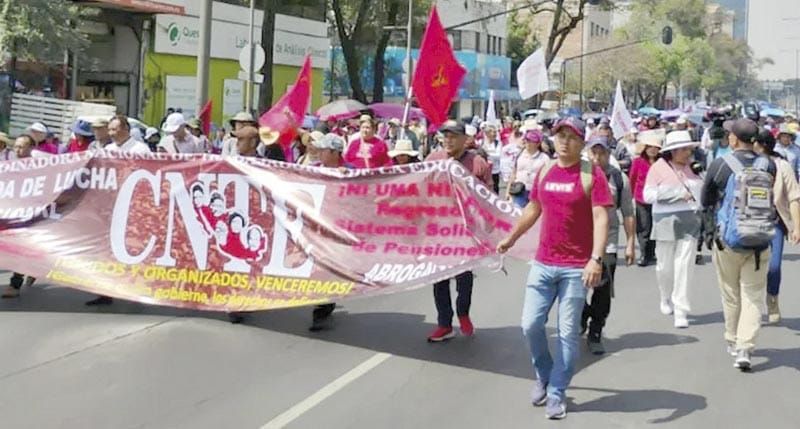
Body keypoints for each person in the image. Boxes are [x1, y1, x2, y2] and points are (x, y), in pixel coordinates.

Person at [496, 116, 612, 420]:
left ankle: (558, 391)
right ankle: (545, 375)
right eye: (559, 135)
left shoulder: (592, 175)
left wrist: (595, 259)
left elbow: (601, 218)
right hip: (544, 263)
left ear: (581, 142)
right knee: (530, 325)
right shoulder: (545, 169)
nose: (564, 141)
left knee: (567, 333)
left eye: (571, 136)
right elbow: (534, 208)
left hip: (576, 268)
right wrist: (511, 237)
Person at [700, 118, 778, 371]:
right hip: (761, 240)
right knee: (753, 295)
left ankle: (733, 340)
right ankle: (746, 347)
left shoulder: (721, 164)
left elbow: (706, 201)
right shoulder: (768, 164)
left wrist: (709, 233)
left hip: (728, 241)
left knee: (731, 294)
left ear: (733, 139)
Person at [424, 120, 493, 342]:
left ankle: (463, 313)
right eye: (445, 135)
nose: (449, 140)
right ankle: (444, 323)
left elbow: (488, 195)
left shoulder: (477, 163)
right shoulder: (433, 160)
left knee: (464, 277)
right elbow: (419, 187)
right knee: (440, 279)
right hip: (440, 229)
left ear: (465, 139)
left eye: (454, 136)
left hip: (466, 231)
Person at [643, 130, 703, 328]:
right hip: (665, 220)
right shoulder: (658, 168)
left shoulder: (694, 168)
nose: (688, 153)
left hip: (690, 220)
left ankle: (681, 309)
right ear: (673, 151)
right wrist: (676, 194)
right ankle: (665, 296)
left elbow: (701, 193)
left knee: (684, 266)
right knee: (664, 266)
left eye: (689, 148)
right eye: (684, 149)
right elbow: (648, 195)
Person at [581, 135, 636, 354]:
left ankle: (596, 330)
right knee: (575, 287)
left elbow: (628, 213)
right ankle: (582, 314)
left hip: (609, 242)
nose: (597, 157)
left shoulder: (619, 179)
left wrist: (630, 242)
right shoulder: (579, 176)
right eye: (593, 152)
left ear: (609, 154)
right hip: (580, 240)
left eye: (602, 152)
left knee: (602, 289)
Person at [753, 130, 800, 324]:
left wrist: (796, 226)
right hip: (749, 222)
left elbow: (794, 197)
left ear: (761, 145)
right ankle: (752, 307)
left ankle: (772, 299)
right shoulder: (748, 164)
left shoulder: (783, 166)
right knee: (752, 266)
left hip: (775, 223)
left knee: (773, 266)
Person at [309, 133, 352, 331]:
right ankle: (322, 303)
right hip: (316, 228)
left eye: (323, 150)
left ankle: (323, 307)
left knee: (329, 268)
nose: (319, 153)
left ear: (335, 153)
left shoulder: (351, 172)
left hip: (338, 229)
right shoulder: (312, 170)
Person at [1, 135, 39, 298]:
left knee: (21, 248)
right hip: (9, 212)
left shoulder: (40, 167)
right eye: (16, 146)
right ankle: (34, 268)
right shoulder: (8, 166)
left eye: (22, 146)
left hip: (28, 214)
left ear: (31, 148)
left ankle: (15, 283)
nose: (18, 150)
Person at [628, 131, 662, 266]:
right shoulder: (638, 162)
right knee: (644, 227)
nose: (653, 150)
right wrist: (628, 197)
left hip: (658, 198)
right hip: (641, 199)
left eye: (655, 147)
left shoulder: (662, 162)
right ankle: (643, 253)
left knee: (655, 227)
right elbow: (632, 179)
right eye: (650, 147)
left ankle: (651, 253)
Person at [505, 127, 549, 208]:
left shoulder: (544, 158)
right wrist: (508, 191)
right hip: (519, 191)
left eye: (531, 141)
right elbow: (513, 174)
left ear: (538, 143)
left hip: (536, 194)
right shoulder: (519, 155)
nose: (527, 143)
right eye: (527, 140)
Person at [480, 124, 502, 193]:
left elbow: (498, 155)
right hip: (484, 171)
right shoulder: (481, 142)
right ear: (487, 133)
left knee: (495, 190)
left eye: (495, 132)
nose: (495, 134)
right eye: (493, 132)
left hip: (495, 171)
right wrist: (491, 153)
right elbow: (479, 154)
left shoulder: (498, 143)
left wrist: (486, 153)